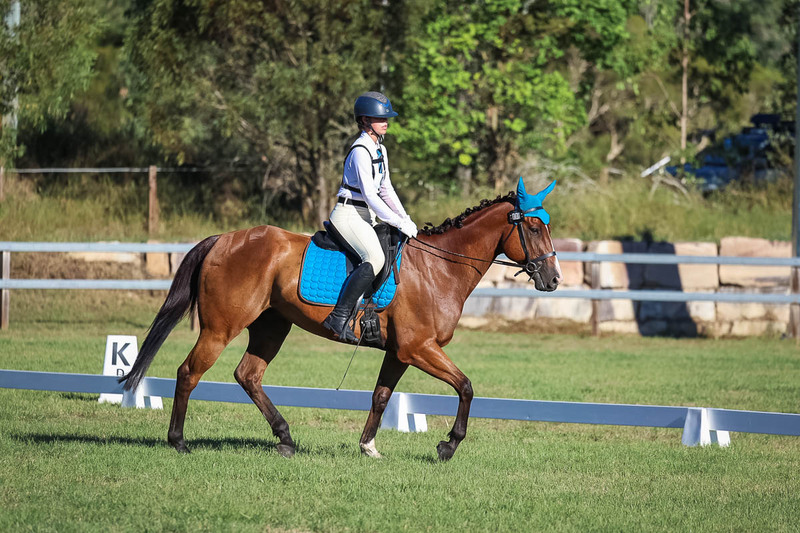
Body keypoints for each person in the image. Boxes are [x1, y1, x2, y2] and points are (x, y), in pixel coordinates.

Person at [322, 91, 418, 342]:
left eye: (387, 117)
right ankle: (339, 317)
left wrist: (405, 218)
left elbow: (386, 189)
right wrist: (396, 221)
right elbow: (371, 196)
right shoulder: (360, 151)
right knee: (374, 257)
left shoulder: (380, 150)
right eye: (380, 117)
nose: (386, 121)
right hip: (349, 214)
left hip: (365, 216)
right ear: (365, 120)